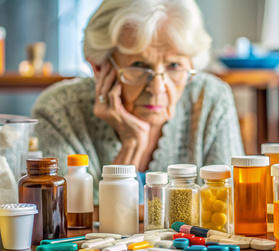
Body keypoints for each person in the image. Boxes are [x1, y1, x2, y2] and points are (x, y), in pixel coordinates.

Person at [32, 0, 244, 207]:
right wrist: (131, 146)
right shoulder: (59, 110)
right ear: (99, 67)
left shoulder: (211, 99)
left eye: (174, 65)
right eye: (139, 66)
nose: (158, 87)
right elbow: (63, 219)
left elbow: (231, 204)